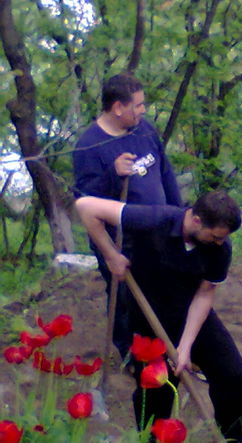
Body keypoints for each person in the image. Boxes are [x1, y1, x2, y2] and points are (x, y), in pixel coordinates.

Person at [75, 191, 242, 443]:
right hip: (147, 317)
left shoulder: (220, 249)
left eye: (223, 238)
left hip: (192, 316)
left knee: (233, 376)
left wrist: (186, 347)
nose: (220, 242)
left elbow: (205, 294)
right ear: (196, 220)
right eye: (215, 236)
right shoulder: (154, 219)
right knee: (156, 388)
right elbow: (86, 206)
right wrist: (111, 255)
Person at [73, 73, 182, 359]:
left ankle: (163, 345)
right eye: (137, 105)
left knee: (162, 288)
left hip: (158, 228)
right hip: (120, 238)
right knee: (123, 298)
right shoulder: (89, 145)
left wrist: (178, 215)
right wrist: (113, 174)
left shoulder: (144, 129)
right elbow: (85, 201)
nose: (143, 110)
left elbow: (165, 172)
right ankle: (129, 355)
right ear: (118, 107)